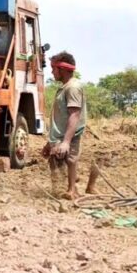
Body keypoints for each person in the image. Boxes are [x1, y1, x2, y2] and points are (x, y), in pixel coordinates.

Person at [42, 51, 87, 199]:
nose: (52, 72)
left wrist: (66, 141)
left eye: (54, 68)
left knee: (71, 160)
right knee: (58, 163)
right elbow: (60, 118)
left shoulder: (72, 88)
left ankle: (72, 190)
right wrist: (51, 143)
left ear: (62, 69)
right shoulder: (64, 87)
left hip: (68, 136)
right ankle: (67, 188)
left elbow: (74, 114)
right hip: (60, 136)